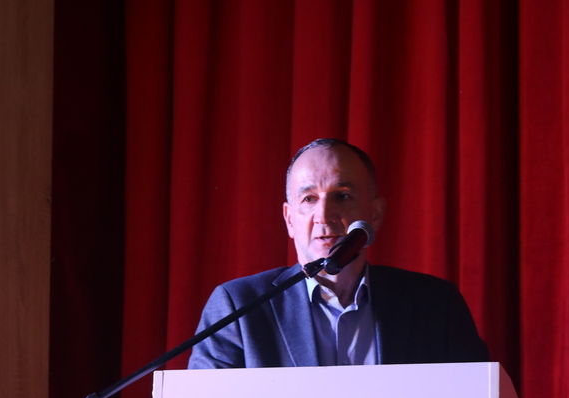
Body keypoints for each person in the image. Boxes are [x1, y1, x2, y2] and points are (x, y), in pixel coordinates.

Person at [187, 138, 488, 369]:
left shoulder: (436, 304)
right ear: (289, 219)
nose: (324, 215)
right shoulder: (238, 307)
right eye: (309, 199)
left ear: (376, 213)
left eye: (342, 196)